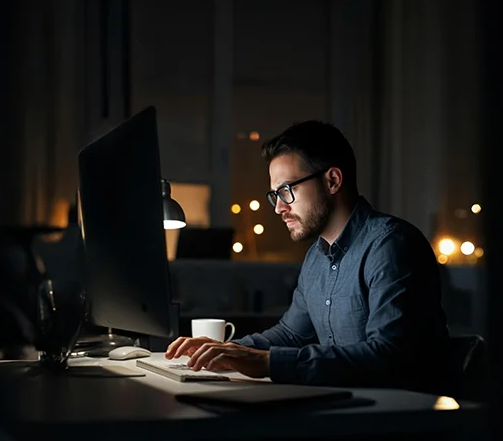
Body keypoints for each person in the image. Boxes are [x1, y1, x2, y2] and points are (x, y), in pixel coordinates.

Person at [166, 120, 451, 394]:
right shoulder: (316, 256)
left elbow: (388, 356)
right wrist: (227, 350)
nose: (278, 208)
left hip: (401, 422)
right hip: (349, 408)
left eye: (287, 191)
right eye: (274, 195)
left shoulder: (390, 245)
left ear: (333, 180)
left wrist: (267, 363)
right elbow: (291, 334)